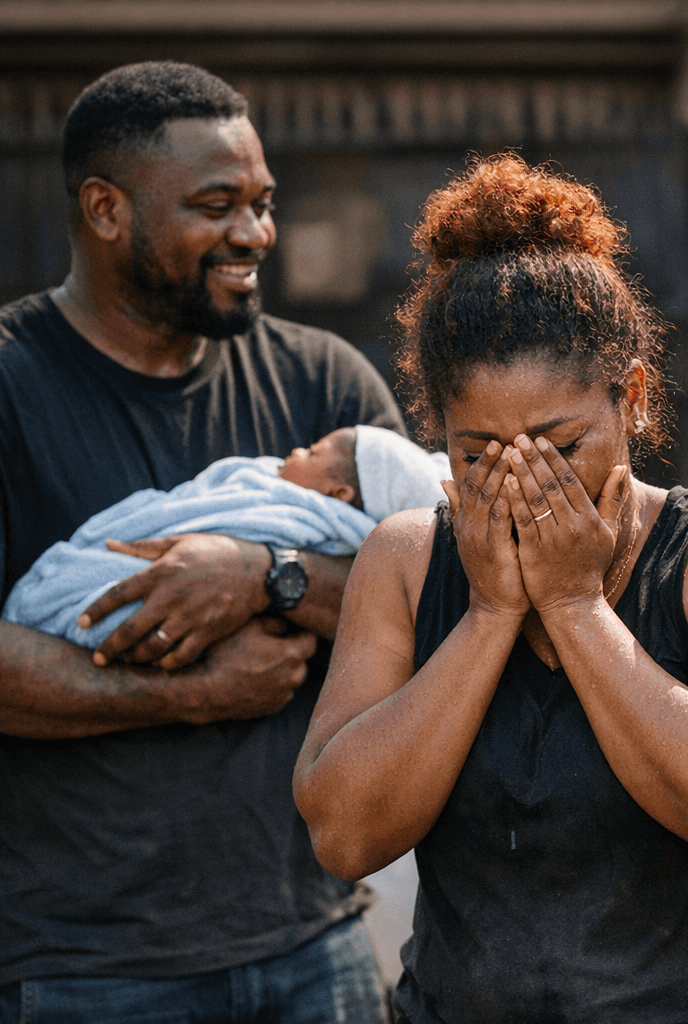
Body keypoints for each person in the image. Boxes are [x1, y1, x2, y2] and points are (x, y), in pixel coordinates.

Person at [292, 153, 688, 1023]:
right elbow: (343, 835)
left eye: (561, 449)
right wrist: (490, 613)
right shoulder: (405, 560)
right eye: (479, 455)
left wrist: (574, 605)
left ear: (631, 398)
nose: (523, 485)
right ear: (437, 430)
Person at [0, 62, 403, 1021]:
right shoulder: (12, 387)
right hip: (85, 971)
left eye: (263, 204)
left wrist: (268, 574)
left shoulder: (326, 388)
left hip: (318, 945)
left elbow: (434, 601)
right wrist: (188, 694)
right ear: (105, 210)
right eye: (217, 206)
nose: (254, 234)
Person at [5, 425, 451, 649]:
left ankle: (61, 601)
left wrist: (262, 568)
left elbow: (415, 600)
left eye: (312, 452)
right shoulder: (265, 480)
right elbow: (190, 505)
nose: (296, 450)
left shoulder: (309, 515)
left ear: (339, 494)